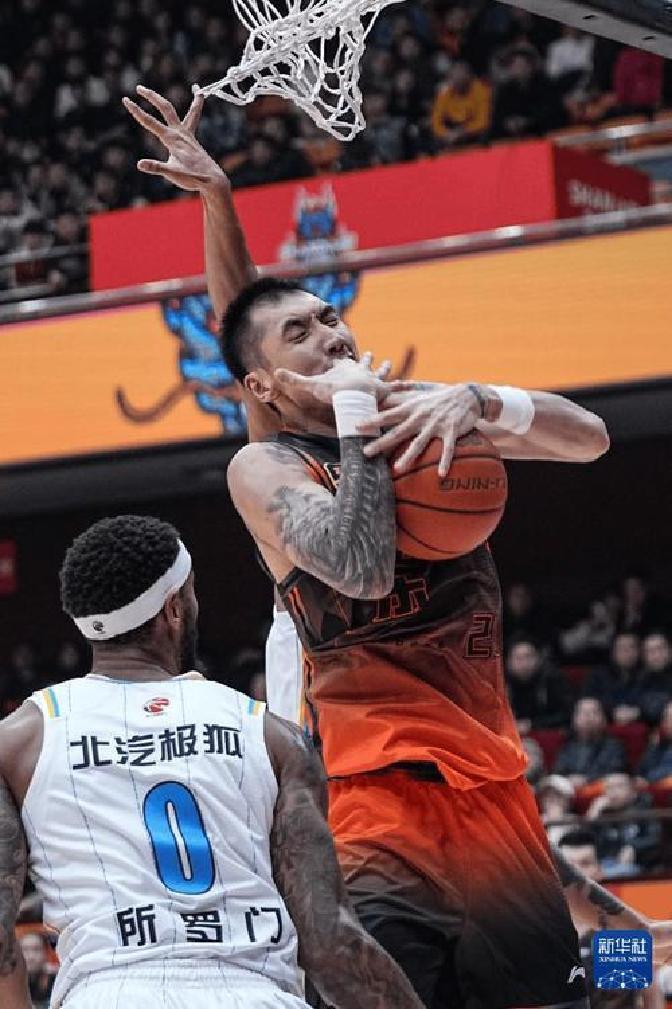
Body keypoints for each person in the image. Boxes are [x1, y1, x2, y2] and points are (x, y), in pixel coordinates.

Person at [122, 85, 672, 1009]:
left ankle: (631, 986)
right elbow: (357, 553)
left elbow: (590, 438)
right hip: (359, 787)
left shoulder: (422, 414)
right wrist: (220, 210)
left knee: (595, 965)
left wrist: (480, 399)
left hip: (489, 784)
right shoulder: (273, 463)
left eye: (332, 318)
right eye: (304, 333)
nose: (333, 333)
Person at [0, 514, 424, 1009]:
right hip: (254, 992)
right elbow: (333, 946)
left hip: (108, 992)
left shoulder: (18, 742)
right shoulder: (271, 736)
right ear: (174, 609)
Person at [558, 829, 666, 1009]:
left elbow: (650, 995)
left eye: (585, 863)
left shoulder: (618, 932)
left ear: (599, 870)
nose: (576, 873)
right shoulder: (546, 932)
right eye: (569, 866)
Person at [585, 773, 662, 877]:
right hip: (605, 865)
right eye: (609, 788)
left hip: (641, 868)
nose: (613, 792)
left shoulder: (646, 808)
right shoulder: (602, 813)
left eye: (619, 786)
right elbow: (586, 843)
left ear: (633, 790)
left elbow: (655, 839)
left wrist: (634, 847)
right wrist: (592, 817)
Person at [553, 697, 627, 788]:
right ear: (574, 719)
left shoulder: (614, 747)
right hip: (569, 790)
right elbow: (558, 773)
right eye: (583, 713)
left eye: (594, 713)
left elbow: (615, 773)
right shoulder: (567, 746)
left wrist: (587, 779)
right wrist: (568, 779)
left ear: (604, 719)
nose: (588, 718)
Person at [505, 635, 572, 732]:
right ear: (509, 662)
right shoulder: (501, 683)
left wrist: (532, 724)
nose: (524, 664)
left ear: (538, 658)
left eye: (528, 657)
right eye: (518, 658)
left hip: (546, 733)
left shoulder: (552, 679)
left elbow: (566, 714)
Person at [638, 700, 672, 784]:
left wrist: (647, 780)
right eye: (665, 717)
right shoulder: (660, 745)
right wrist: (653, 747)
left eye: (671, 718)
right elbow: (641, 771)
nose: (666, 722)